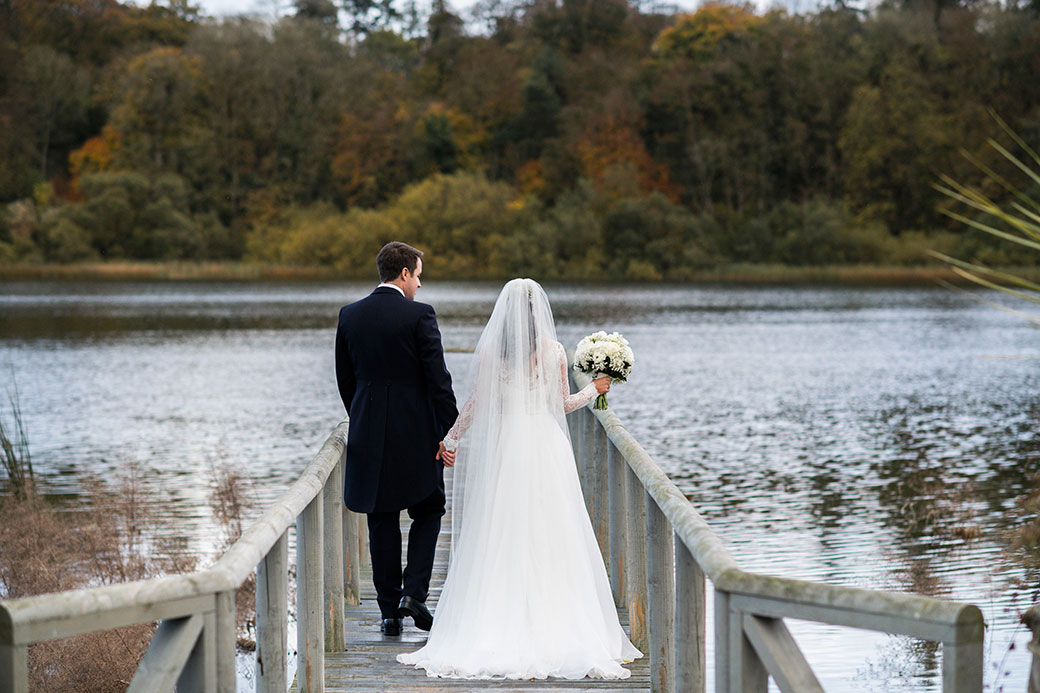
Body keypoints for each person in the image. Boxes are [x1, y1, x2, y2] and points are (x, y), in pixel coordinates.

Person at [397, 278, 642, 679]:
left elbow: (476, 404)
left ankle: (498, 615)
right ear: (538, 314)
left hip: (507, 448)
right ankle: (555, 617)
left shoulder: (494, 352)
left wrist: (452, 438)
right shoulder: (553, 352)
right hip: (544, 446)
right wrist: (596, 390)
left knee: (502, 530)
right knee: (552, 533)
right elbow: (562, 404)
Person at [335, 241, 458, 636]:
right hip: (416, 433)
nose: (420, 284)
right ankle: (415, 594)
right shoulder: (419, 315)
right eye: (418, 274)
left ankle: (388, 613)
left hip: (368, 430)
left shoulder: (349, 315)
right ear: (404, 273)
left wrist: (362, 415)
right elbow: (438, 381)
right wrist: (449, 432)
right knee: (430, 508)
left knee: (380, 517)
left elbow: (345, 380)